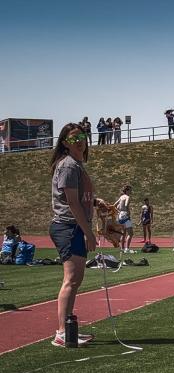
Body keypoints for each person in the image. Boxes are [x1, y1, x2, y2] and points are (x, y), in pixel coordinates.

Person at [49, 123, 96, 347]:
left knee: (76, 279)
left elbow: (80, 198)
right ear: (65, 143)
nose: (80, 140)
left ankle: (68, 329)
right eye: (74, 137)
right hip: (68, 227)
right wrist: (89, 233)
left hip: (74, 226)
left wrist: (97, 203)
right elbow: (72, 203)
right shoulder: (68, 165)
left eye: (83, 136)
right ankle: (61, 332)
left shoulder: (77, 165)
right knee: (71, 279)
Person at [114, 185, 134, 254]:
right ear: (127, 190)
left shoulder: (121, 197)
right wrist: (128, 212)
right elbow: (126, 205)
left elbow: (114, 205)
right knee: (130, 233)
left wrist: (119, 211)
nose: (131, 191)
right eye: (130, 190)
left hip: (120, 216)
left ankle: (122, 248)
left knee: (123, 233)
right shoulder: (127, 197)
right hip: (125, 216)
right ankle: (127, 249)